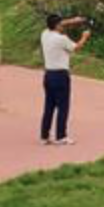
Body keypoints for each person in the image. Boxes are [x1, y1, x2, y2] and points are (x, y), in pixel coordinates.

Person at [39, 13, 90, 145]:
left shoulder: (45, 34)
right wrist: (84, 37)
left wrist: (74, 20)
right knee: (63, 107)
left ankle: (44, 136)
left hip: (48, 75)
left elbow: (59, 23)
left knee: (49, 107)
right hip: (60, 76)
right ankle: (61, 136)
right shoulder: (62, 39)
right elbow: (76, 47)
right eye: (61, 24)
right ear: (57, 25)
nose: (63, 25)